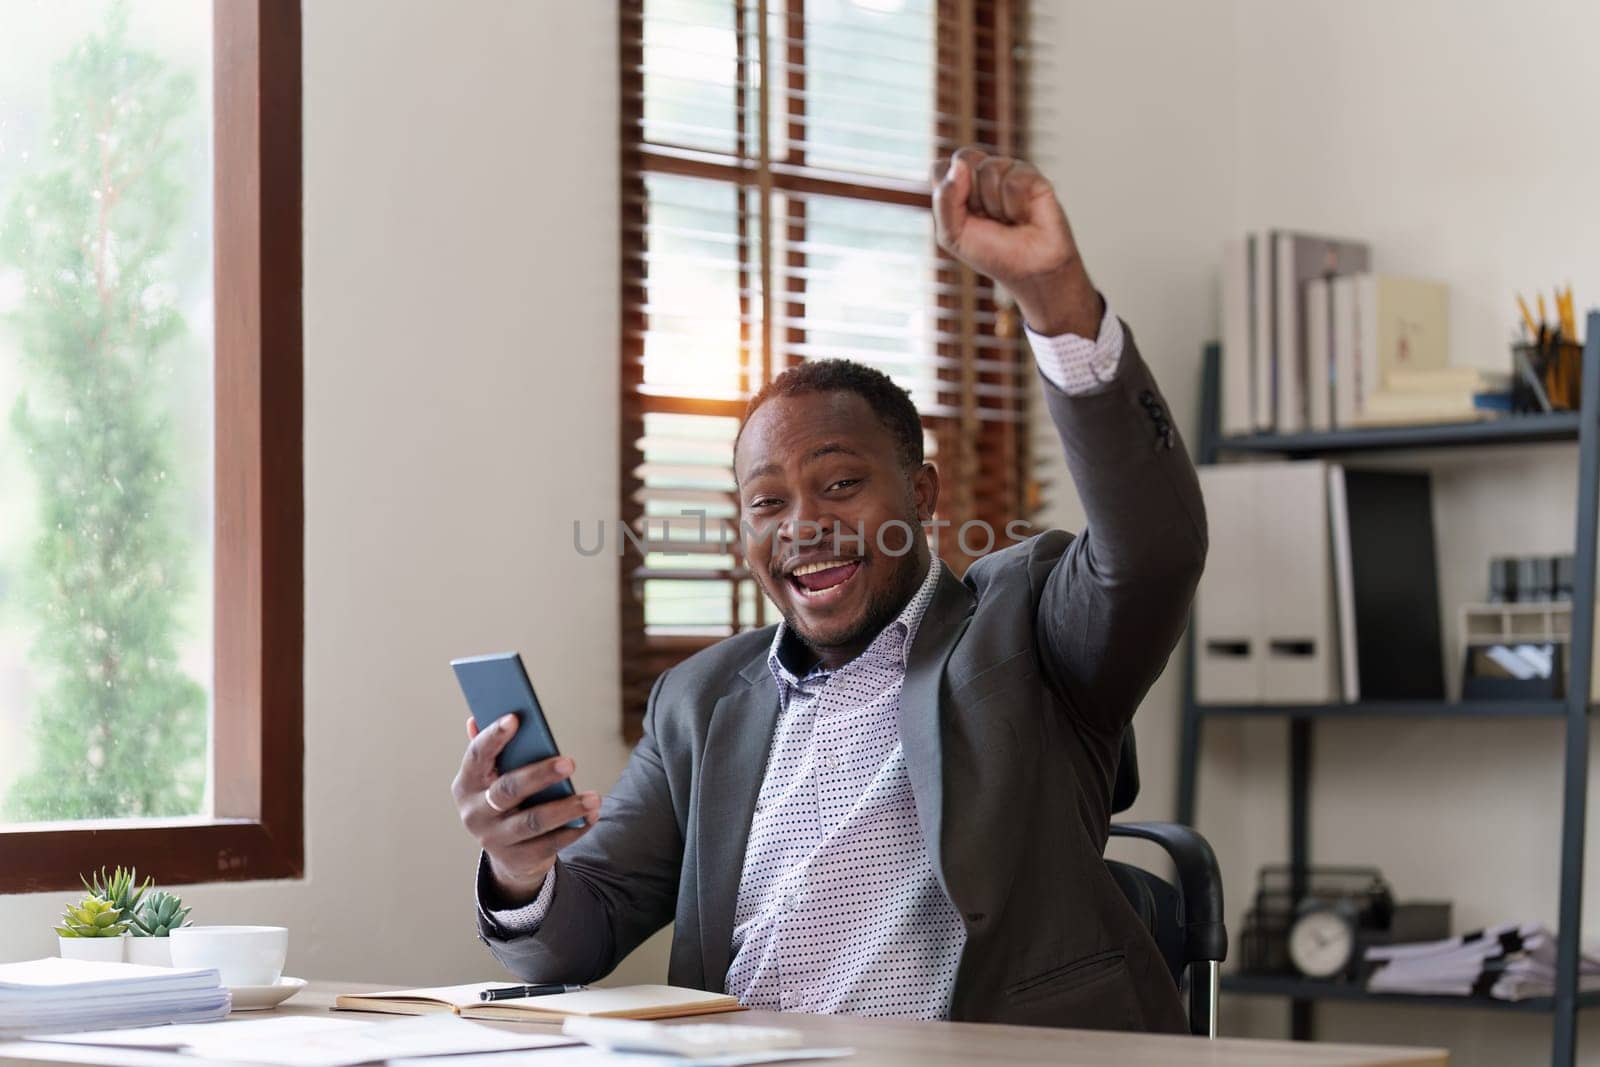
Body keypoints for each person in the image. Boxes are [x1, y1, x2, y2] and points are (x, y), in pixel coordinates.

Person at [451, 146, 1206, 1031]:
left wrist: (1059, 308)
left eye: (841, 483)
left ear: (920, 495)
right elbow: (575, 936)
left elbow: (1152, 550)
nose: (801, 523)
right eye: (767, 501)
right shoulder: (698, 702)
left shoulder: (1029, 631)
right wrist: (520, 868)